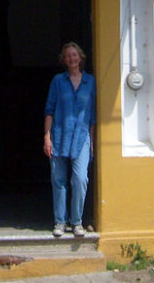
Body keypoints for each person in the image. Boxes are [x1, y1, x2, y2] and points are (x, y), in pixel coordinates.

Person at [43, 42, 95, 237]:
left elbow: (92, 116)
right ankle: (60, 222)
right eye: (68, 56)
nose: (72, 58)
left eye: (75, 55)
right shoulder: (58, 81)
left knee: (80, 179)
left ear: (80, 57)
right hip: (59, 135)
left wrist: (92, 142)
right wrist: (47, 137)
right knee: (58, 180)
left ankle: (77, 222)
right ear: (64, 60)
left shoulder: (90, 82)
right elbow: (49, 110)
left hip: (81, 137)